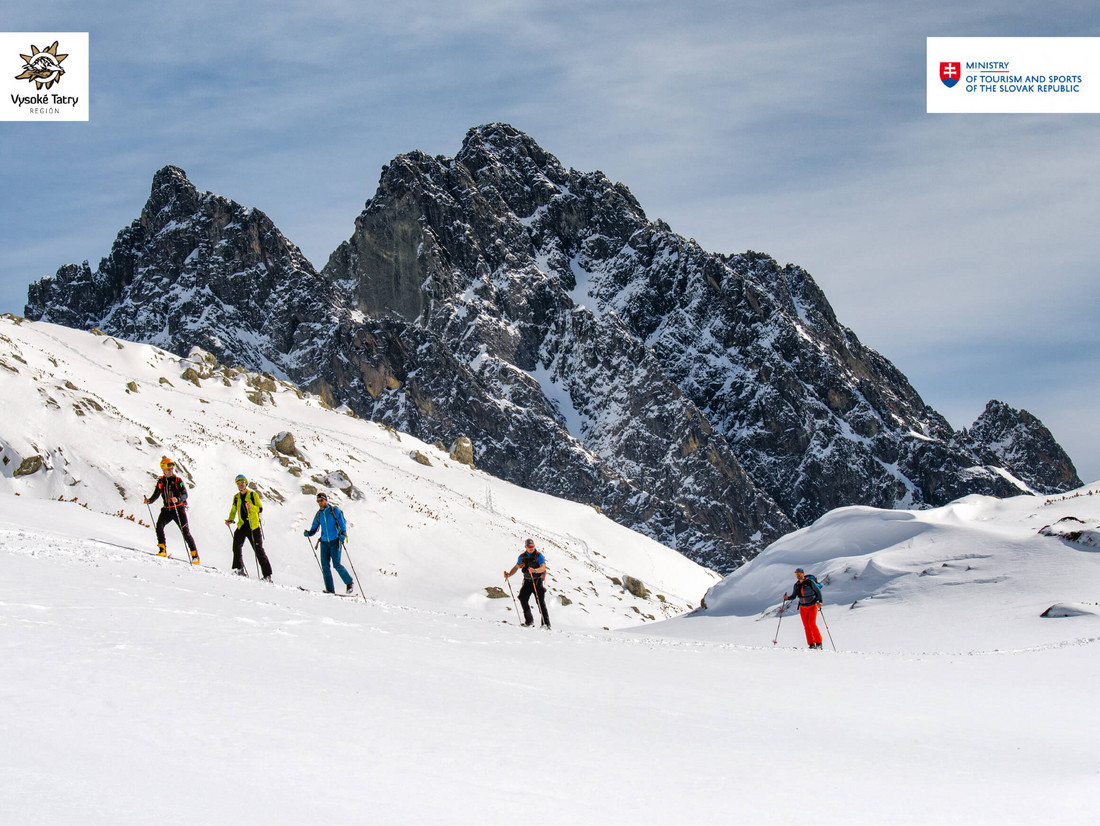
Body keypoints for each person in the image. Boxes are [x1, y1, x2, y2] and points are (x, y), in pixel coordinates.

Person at [144, 456, 200, 565]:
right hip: (167, 510)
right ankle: (162, 550)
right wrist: (149, 501)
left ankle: (195, 555)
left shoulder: (178, 480)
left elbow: (185, 494)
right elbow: (156, 494)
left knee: (185, 532)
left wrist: (178, 499)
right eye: (168, 469)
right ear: (163, 469)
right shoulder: (161, 481)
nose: (171, 470)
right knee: (159, 526)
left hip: (178, 509)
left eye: (172, 469)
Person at [303, 492, 354, 594]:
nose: (319, 503)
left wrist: (343, 534)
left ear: (326, 500)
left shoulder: (334, 511)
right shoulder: (319, 514)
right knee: (325, 566)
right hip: (324, 543)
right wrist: (309, 533)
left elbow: (342, 523)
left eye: (321, 500)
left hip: (335, 541)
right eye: (318, 501)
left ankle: (349, 582)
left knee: (336, 565)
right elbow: (314, 527)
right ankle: (330, 589)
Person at [225, 475, 272, 580]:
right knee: (236, 547)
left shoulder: (253, 495)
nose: (240, 484)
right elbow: (233, 510)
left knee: (259, 550)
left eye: (242, 482)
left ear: (246, 483)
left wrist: (251, 507)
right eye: (238, 483)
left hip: (253, 527)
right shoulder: (236, 497)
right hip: (242, 525)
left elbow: (260, 509)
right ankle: (239, 569)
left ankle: (267, 575)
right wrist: (230, 520)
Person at [504, 538, 550, 628]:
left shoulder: (539, 556)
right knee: (522, 597)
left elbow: (543, 567)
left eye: (532, 546)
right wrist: (509, 574)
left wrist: (535, 570)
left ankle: (546, 624)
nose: (531, 548)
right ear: (525, 547)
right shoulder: (522, 557)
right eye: (529, 547)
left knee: (540, 602)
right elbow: (516, 567)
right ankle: (529, 621)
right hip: (527, 581)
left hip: (537, 581)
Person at [783, 567, 823, 649]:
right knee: (806, 626)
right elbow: (794, 596)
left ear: (803, 574)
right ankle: (811, 644)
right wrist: (787, 598)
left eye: (799, 573)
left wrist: (820, 601)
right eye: (797, 574)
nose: (798, 575)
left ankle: (818, 643)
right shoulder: (796, 585)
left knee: (812, 624)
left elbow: (818, 591)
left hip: (812, 605)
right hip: (803, 607)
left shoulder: (810, 582)